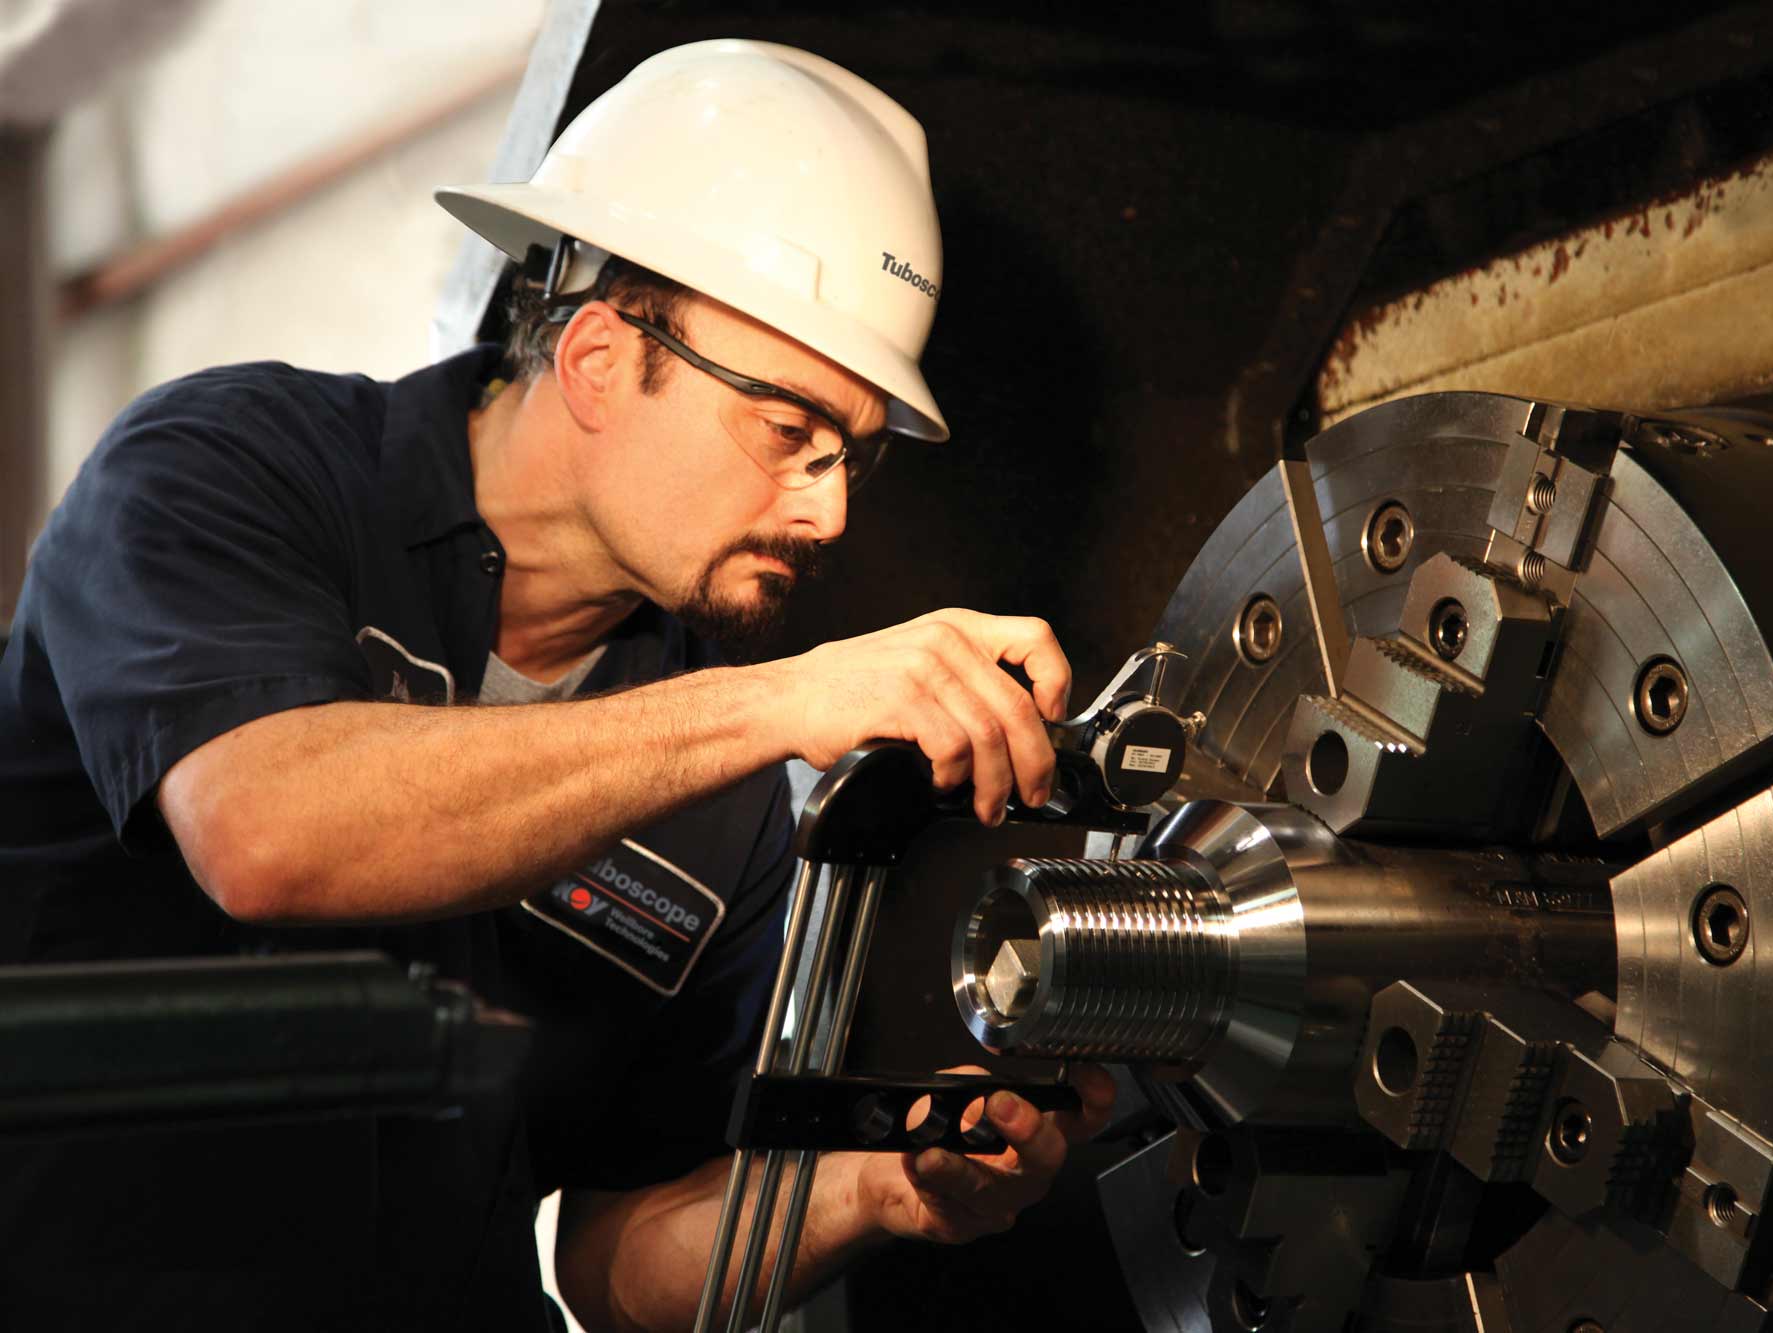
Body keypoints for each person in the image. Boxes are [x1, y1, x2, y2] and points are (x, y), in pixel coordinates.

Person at [0, 38, 1114, 1333]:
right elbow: (266, 829)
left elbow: (612, 1261)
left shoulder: (733, 797)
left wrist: (870, 1193)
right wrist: (783, 702)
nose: (825, 510)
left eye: (853, 458)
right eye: (788, 432)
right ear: (595, 357)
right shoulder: (229, 476)